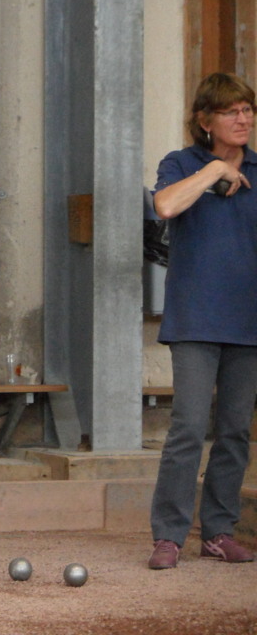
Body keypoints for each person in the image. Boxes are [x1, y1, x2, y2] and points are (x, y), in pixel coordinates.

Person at [147, 73, 257, 569]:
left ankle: (218, 531)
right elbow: (166, 205)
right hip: (195, 318)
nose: (243, 119)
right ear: (205, 120)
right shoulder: (182, 164)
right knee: (189, 428)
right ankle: (169, 535)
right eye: (232, 111)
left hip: (248, 321)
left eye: (248, 110)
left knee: (234, 432)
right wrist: (214, 170)